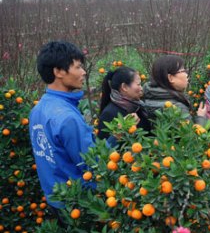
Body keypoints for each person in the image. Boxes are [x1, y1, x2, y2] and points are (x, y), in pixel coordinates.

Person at [29, 41, 96, 210]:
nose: (84, 72)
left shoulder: (37, 109)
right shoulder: (66, 118)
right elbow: (93, 164)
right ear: (58, 71)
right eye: (78, 67)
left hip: (56, 199)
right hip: (79, 204)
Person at [143, 55, 207, 125]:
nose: (186, 74)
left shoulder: (148, 97)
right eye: (183, 70)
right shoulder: (176, 108)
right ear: (170, 78)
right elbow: (192, 135)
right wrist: (201, 117)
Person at [98, 66, 152, 139]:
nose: (141, 88)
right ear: (124, 87)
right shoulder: (109, 114)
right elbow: (105, 146)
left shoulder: (137, 106)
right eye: (138, 84)